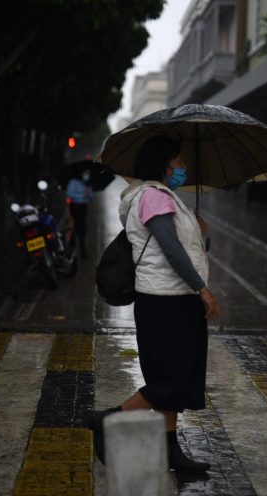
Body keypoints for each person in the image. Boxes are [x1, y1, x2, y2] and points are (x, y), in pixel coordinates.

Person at [86, 136, 220, 473]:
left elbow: (179, 247)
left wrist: (199, 234)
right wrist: (202, 289)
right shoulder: (153, 197)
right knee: (171, 380)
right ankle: (109, 418)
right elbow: (171, 250)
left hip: (174, 299)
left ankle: (170, 452)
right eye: (179, 162)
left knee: (174, 378)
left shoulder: (163, 197)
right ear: (162, 164)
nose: (184, 169)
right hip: (166, 301)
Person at [65, 168, 94, 258]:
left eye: (88, 174)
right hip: (75, 207)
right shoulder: (73, 182)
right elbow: (69, 194)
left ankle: (75, 250)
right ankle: (75, 250)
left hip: (83, 208)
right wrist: (82, 195)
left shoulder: (87, 183)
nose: (87, 175)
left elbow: (92, 197)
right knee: (79, 228)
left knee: (79, 229)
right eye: (86, 173)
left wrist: (88, 194)